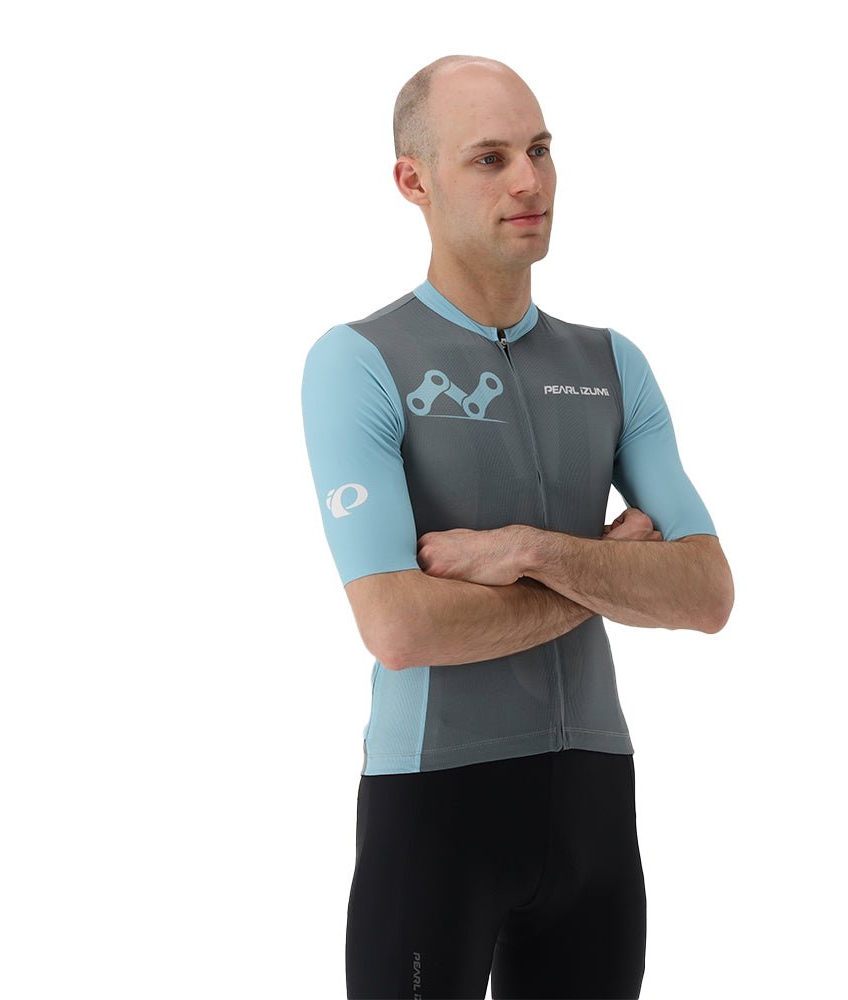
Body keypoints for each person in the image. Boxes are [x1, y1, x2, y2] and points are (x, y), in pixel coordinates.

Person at [300, 54, 733, 1000]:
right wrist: (606, 572)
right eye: (490, 158)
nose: (530, 181)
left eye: (540, 149)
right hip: (435, 807)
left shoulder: (612, 365)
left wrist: (530, 551)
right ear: (413, 180)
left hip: (594, 810)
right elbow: (399, 627)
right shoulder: (359, 361)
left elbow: (706, 593)